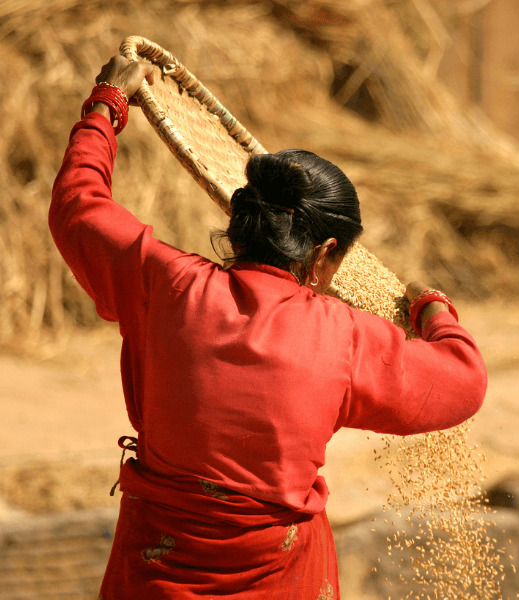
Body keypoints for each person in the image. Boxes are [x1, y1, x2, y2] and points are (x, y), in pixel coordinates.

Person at [49, 56, 487, 600]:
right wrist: (433, 310)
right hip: (278, 580)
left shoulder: (164, 285)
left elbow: (78, 208)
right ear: (326, 252)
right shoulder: (343, 336)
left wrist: (106, 104)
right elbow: (463, 382)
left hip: (153, 573)